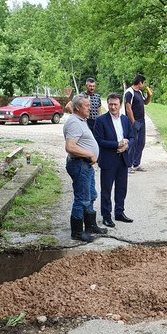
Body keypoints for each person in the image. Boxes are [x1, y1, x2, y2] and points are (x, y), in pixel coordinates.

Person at [64, 93, 107, 242]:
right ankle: (76, 231)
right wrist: (90, 154)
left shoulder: (80, 120)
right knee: (82, 198)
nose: (91, 107)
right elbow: (70, 146)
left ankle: (90, 226)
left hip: (85, 165)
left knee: (91, 195)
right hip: (79, 164)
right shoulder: (74, 123)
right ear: (77, 108)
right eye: (87, 106)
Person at [94, 93, 135, 227]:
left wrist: (127, 145)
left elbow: (132, 137)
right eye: (110, 104)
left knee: (121, 188)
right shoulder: (101, 120)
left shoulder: (125, 119)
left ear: (120, 105)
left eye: (115, 104)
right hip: (108, 159)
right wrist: (117, 144)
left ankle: (119, 212)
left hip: (123, 159)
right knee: (106, 189)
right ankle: (106, 216)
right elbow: (99, 141)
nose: (112, 107)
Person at [124, 74, 152, 173]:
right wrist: (133, 122)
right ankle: (128, 165)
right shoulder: (129, 92)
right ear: (139, 82)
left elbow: (146, 102)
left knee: (141, 142)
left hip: (142, 120)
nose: (144, 85)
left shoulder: (139, 92)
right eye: (143, 83)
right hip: (133, 121)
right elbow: (128, 108)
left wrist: (149, 96)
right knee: (133, 143)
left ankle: (136, 164)